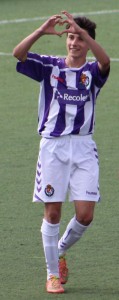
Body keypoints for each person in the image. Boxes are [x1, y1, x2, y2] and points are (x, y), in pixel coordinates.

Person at [13, 10, 110, 294]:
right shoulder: (49, 66)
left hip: (83, 147)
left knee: (86, 215)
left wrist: (84, 34)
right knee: (53, 213)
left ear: (89, 42)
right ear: (64, 40)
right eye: (70, 37)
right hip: (53, 148)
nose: (73, 43)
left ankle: (60, 248)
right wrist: (42, 30)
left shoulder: (92, 72)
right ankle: (52, 274)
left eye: (79, 38)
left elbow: (104, 62)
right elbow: (18, 54)